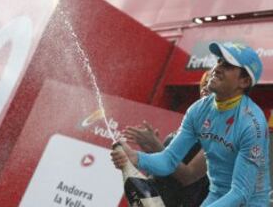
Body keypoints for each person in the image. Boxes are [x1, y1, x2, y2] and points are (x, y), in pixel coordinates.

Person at [112, 42, 270, 206]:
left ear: (244, 82)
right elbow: (168, 161)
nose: (217, 68)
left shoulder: (252, 124)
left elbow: (240, 192)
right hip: (216, 196)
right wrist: (136, 158)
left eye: (228, 66)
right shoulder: (198, 110)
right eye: (219, 62)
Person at [123, 71, 211, 207]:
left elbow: (188, 176)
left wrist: (157, 147)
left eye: (213, 83)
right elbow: (164, 169)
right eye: (205, 83)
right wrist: (151, 151)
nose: (206, 88)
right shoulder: (190, 123)